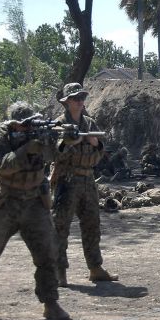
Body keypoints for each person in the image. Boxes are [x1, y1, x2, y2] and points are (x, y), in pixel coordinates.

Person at [0, 102, 70, 320]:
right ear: (14, 123)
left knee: (47, 253)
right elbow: (1, 164)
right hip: (6, 200)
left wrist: (59, 142)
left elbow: (54, 157)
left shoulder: (41, 133)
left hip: (34, 201)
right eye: (24, 125)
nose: (28, 128)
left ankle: (50, 302)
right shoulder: (3, 132)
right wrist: (25, 150)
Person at [51, 83, 118, 286]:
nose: (80, 101)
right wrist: (68, 142)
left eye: (81, 97)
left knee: (92, 224)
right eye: (75, 98)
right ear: (67, 102)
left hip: (88, 179)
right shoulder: (59, 124)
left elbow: (99, 155)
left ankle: (95, 268)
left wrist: (95, 144)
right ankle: (59, 271)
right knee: (60, 225)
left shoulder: (90, 124)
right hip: (67, 179)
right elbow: (54, 153)